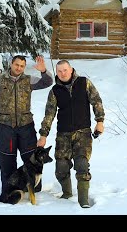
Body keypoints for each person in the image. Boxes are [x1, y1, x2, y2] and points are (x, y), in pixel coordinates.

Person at [0, 55, 54, 201]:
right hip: (6, 127)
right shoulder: (0, 80)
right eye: (17, 64)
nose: (19, 68)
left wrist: (44, 70)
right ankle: (9, 193)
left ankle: (34, 189)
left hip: (26, 127)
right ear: (11, 64)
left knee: (32, 159)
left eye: (22, 65)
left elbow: (48, 81)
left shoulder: (28, 80)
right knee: (7, 160)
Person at [37, 59, 104, 208]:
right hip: (63, 134)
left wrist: (100, 121)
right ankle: (67, 193)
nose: (62, 73)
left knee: (81, 164)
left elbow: (96, 101)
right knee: (61, 167)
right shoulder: (55, 91)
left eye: (65, 70)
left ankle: (83, 201)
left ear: (71, 69)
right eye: (59, 71)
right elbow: (49, 114)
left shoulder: (84, 82)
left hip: (83, 133)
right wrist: (43, 134)